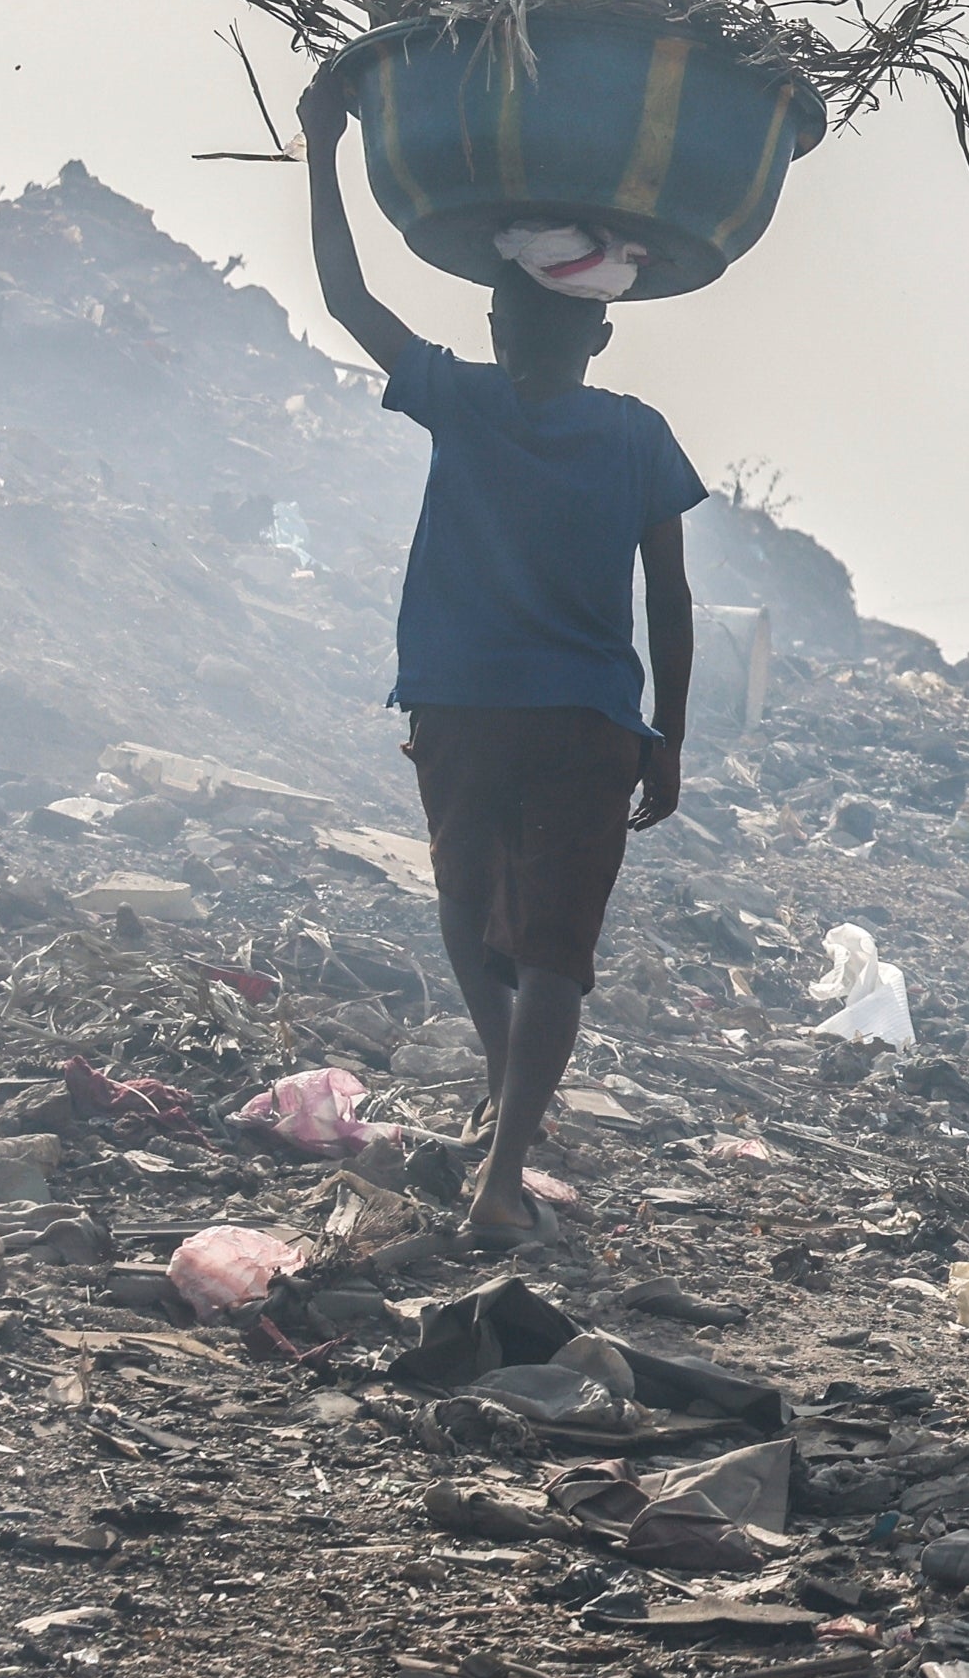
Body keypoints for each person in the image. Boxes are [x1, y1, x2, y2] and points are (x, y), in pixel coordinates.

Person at [301, 64, 706, 1246]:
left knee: (472, 920)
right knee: (553, 954)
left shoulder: (459, 396)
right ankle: (504, 1158)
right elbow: (669, 599)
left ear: (498, 319)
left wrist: (321, 151)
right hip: (584, 720)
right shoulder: (635, 432)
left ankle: (505, 1118)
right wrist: (667, 742)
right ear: (598, 327)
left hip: (463, 705)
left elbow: (344, 295)